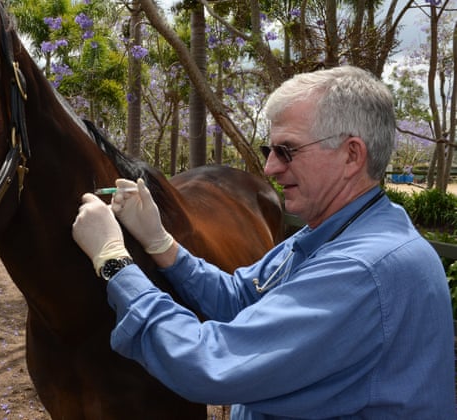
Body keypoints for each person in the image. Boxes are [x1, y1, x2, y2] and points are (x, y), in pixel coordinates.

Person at [72, 66, 456, 418]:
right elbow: (240, 297)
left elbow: (211, 365)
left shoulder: (362, 268)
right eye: (268, 151)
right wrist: (160, 243)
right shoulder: (332, 232)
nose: (270, 167)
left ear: (351, 155)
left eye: (287, 151)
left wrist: (114, 261)